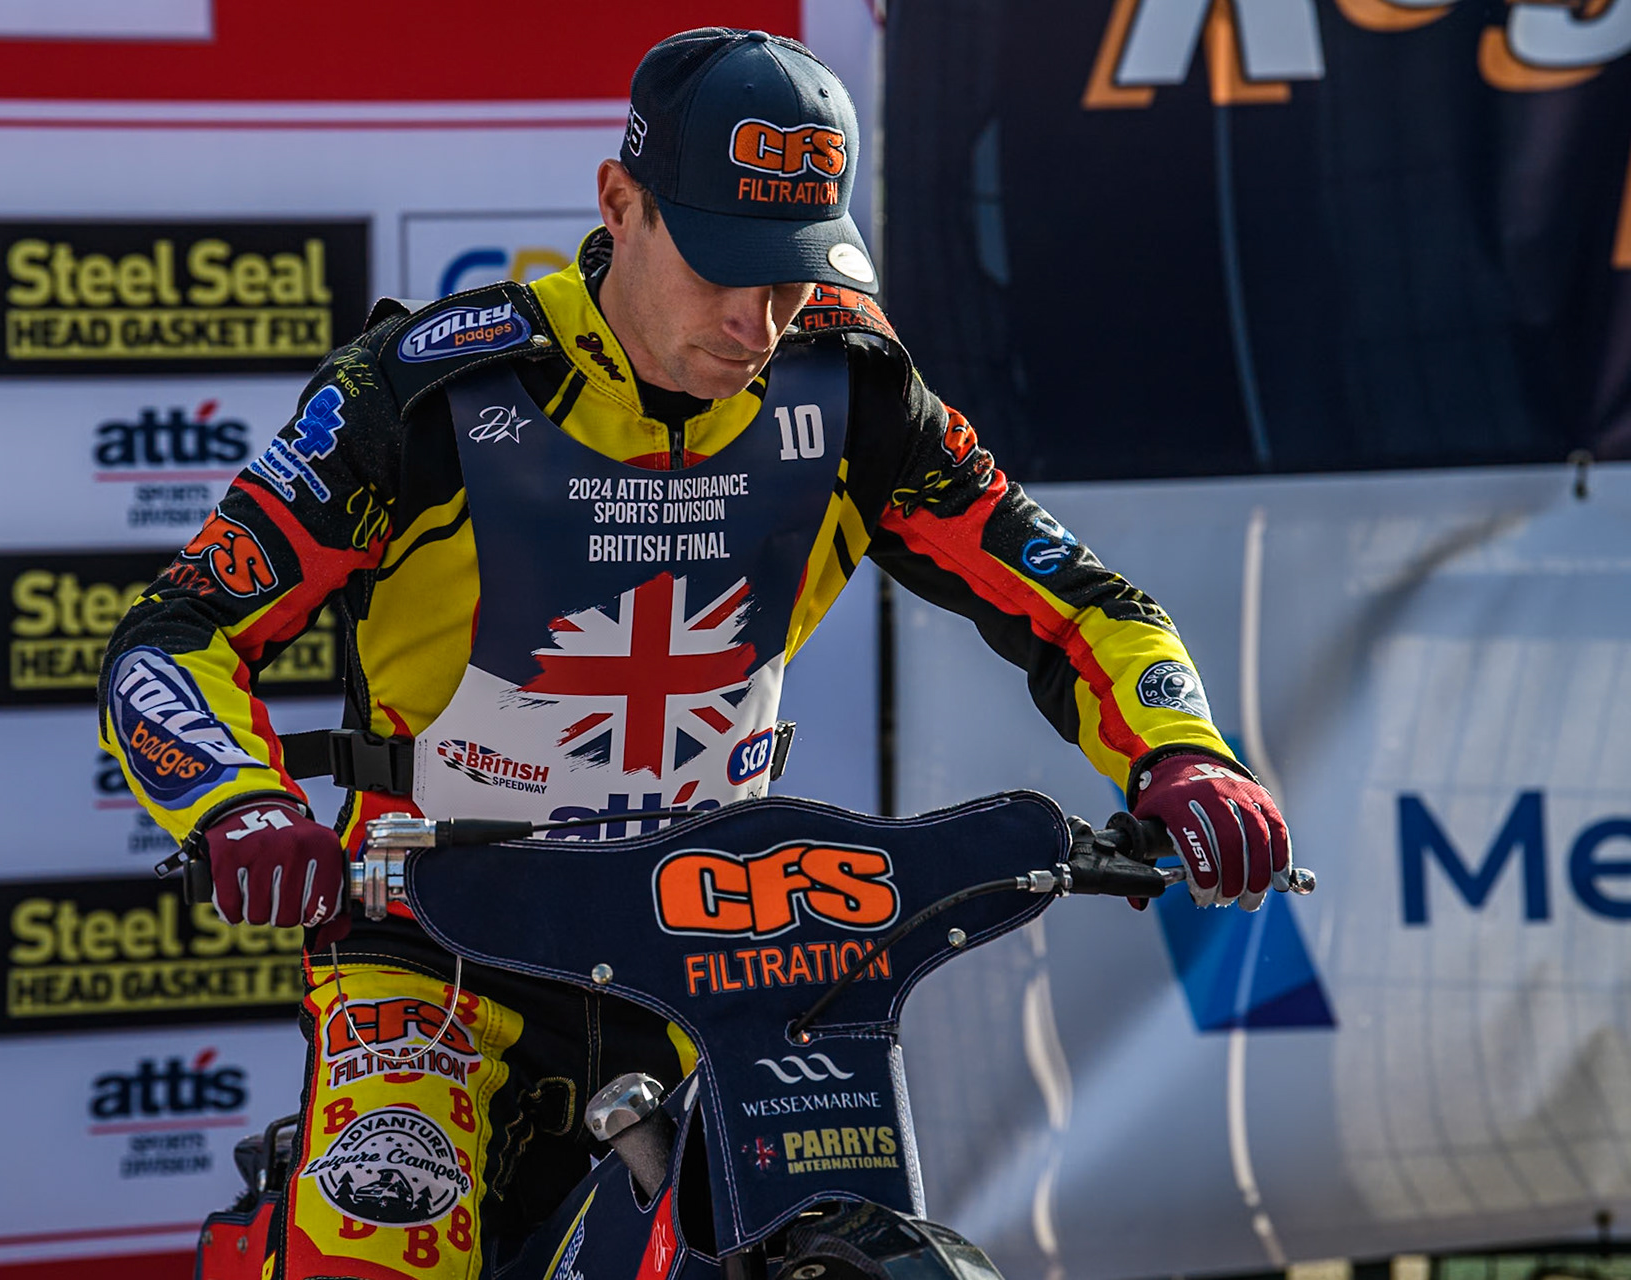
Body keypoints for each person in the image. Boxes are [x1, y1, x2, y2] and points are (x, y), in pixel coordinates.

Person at [99, 27, 1291, 1280]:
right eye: (722, 262)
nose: (754, 319)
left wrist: (1184, 752)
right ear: (620, 203)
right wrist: (237, 803)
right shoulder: (427, 395)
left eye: (792, 274)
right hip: (436, 948)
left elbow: (1080, 599)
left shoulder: (853, 394)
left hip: (717, 948)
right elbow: (176, 633)